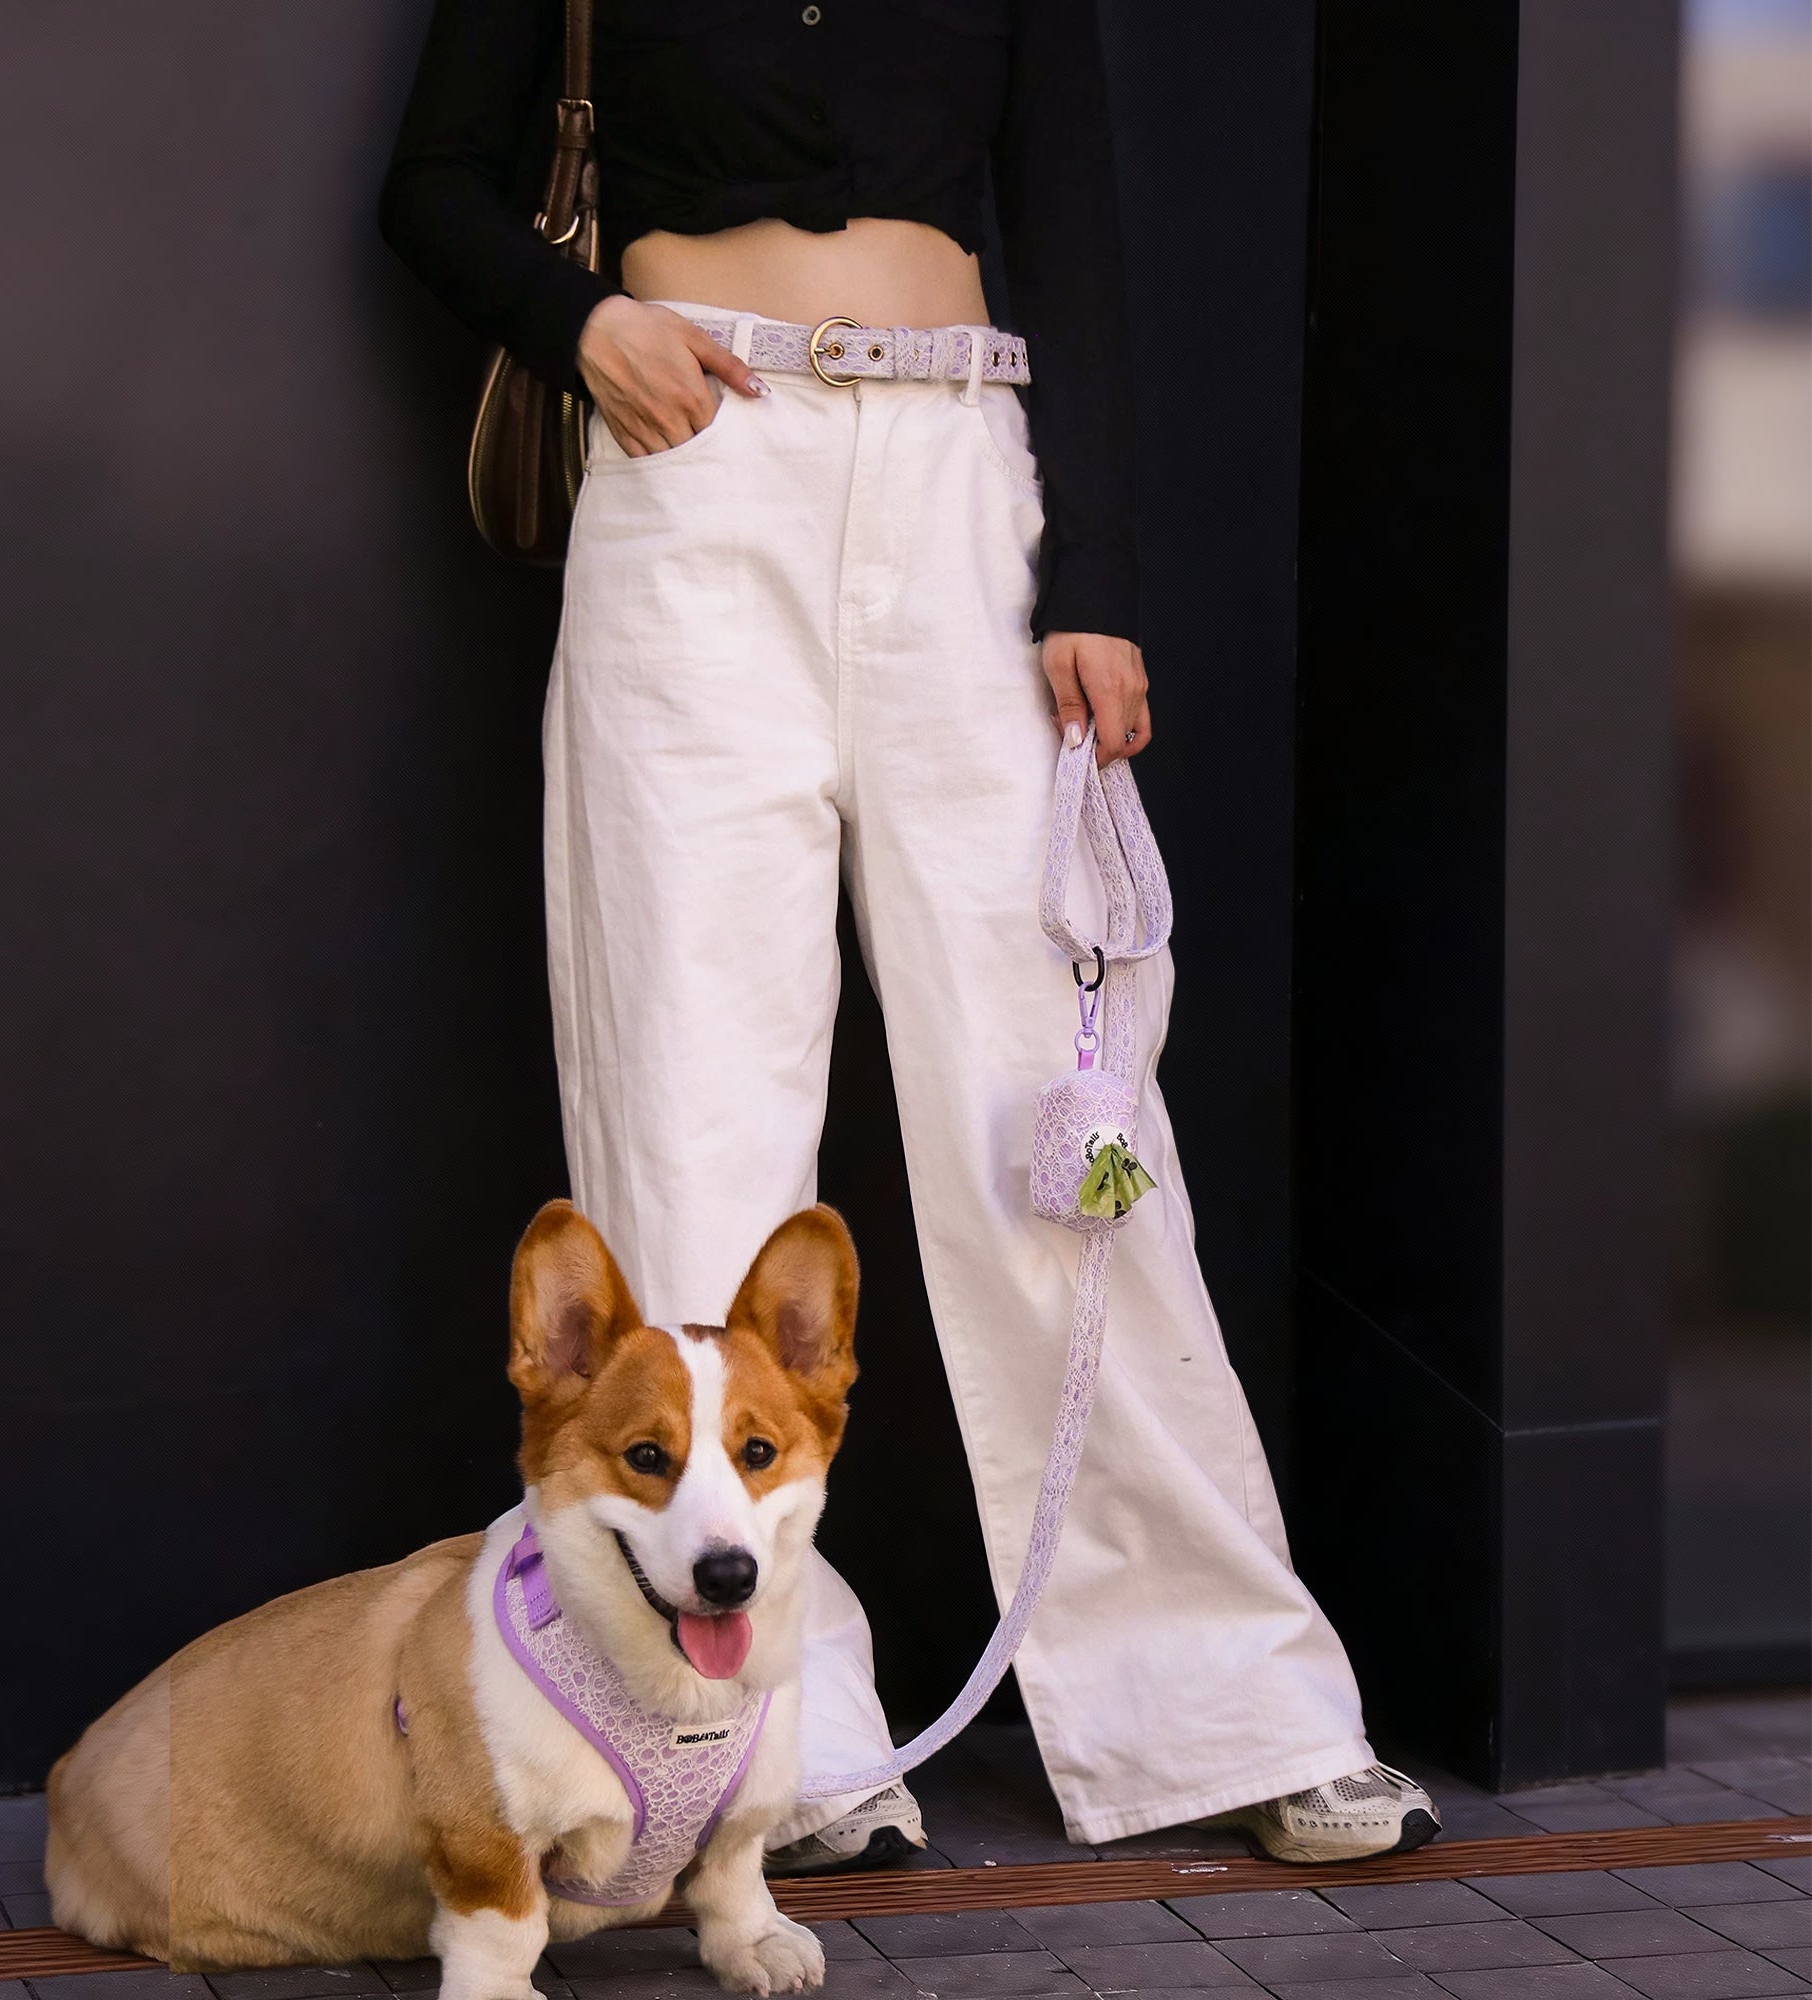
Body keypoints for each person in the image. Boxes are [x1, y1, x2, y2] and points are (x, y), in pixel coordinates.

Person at [377, 0, 1439, 1872]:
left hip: (967, 489)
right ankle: (772, 1740)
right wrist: (582, 326)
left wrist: (1095, 569)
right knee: (693, 1116)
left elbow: (1080, 247)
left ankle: (1226, 1702)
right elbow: (432, 186)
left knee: (1061, 1119)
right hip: (701, 488)